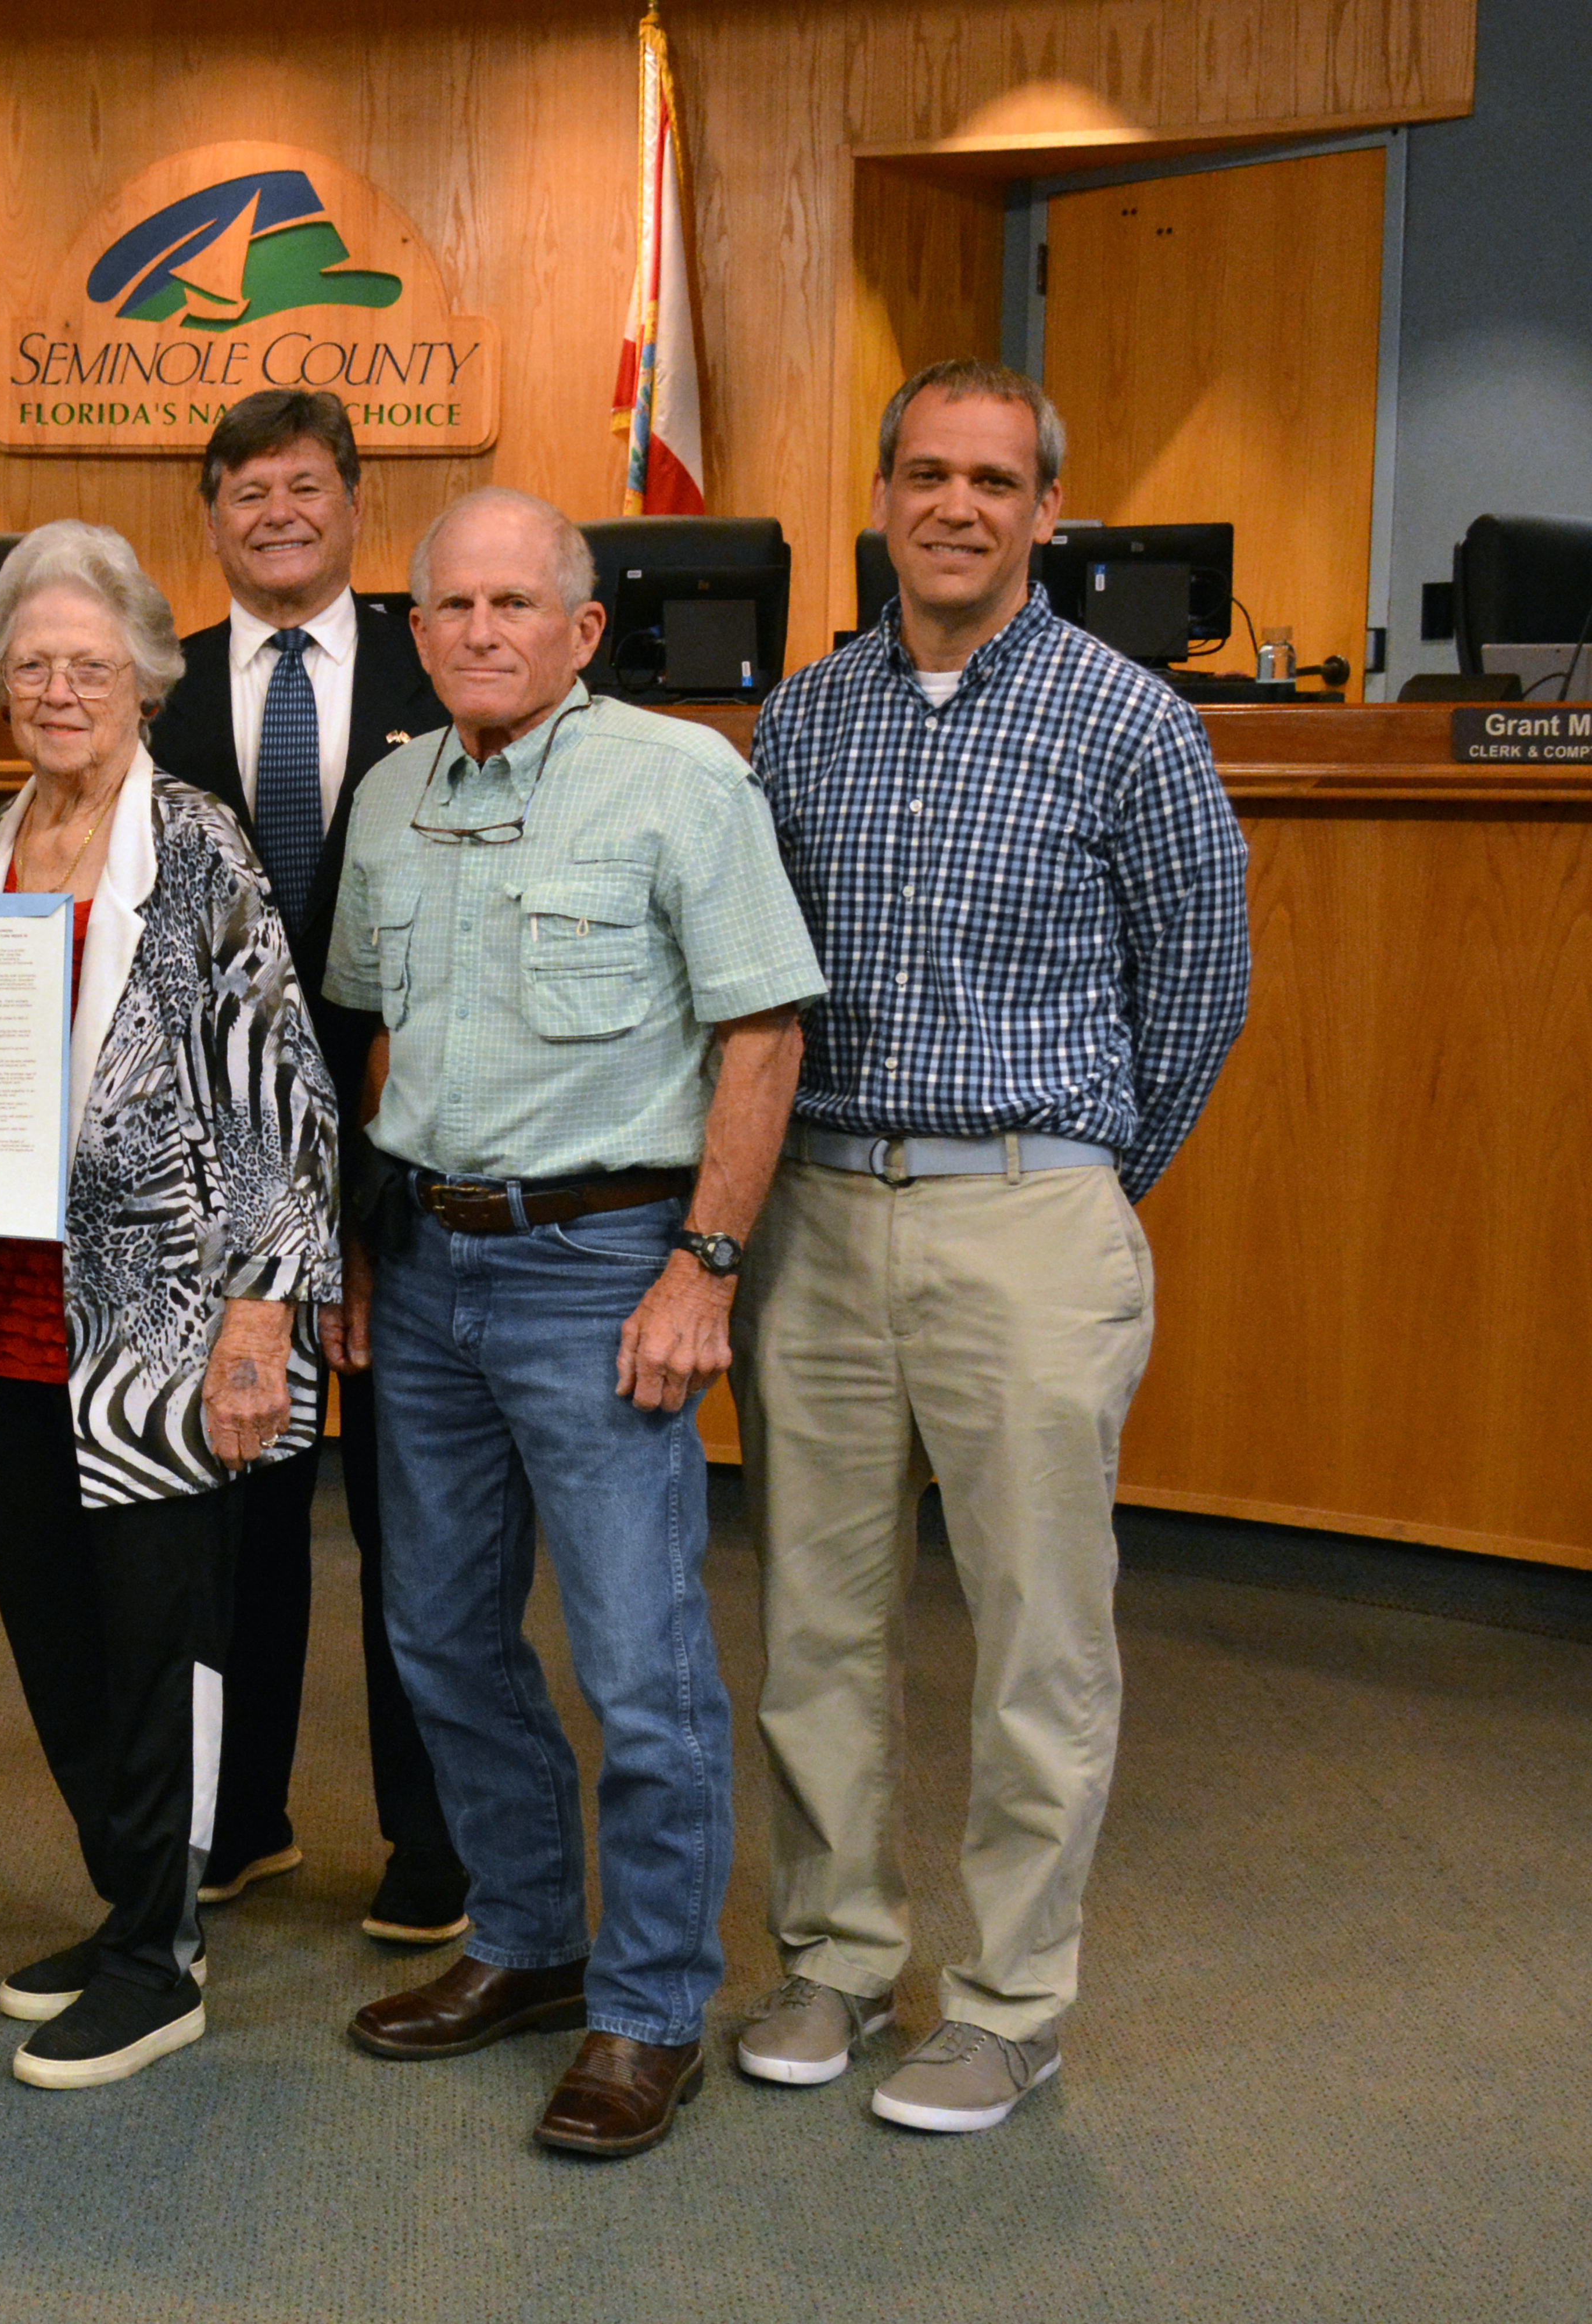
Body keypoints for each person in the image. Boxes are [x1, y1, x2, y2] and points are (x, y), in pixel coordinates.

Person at [728, 360, 1250, 2132]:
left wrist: (1085, 1186)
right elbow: (756, 986)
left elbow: (1201, 985)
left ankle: (1015, 1998)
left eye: (996, 481)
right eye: (928, 475)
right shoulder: (802, 720)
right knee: (817, 1618)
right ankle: (842, 1959)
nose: (958, 506)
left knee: (1039, 1627)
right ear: (882, 496)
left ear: (1044, 512)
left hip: (1027, 1211)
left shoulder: (1130, 720)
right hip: (813, 1217)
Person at [327, 487, 823, 2161]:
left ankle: (649, 2004)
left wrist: (707, 1264)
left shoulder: (682, 781)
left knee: (636, 1658)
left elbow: (762, 1034)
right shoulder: (393, 795)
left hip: (607, 1268)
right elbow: (378, 1046)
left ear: (584, 630)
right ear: (417, 627)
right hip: (432, 1267)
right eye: (449, 605)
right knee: (443, 1639)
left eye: (515, 605)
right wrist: (368, 1253)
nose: (480, 631)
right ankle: (529, 1944)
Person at [0, 520, 342, 2089]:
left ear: (149, 681)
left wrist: (262, 1316)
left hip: (163, 1328)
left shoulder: (203, 849)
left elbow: (285, 1100)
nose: (59, 688)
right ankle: (130, 1901)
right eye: (33, 666)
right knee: (58, 1641)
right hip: (10, 1320)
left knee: (166, 1643)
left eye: (90, 664)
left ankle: (162, 1954)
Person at [149, 388, 468, 1943]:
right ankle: (239, 1817)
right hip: (213, 1175)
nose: (277, 513)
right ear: (209, 514)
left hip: (414, 1156)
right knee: (238, 1500)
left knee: (415, 1513)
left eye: (305, 486)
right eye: (245, 491)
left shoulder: (447, 666)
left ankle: (432, 1841)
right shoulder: (156, 687)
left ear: (355, 501)